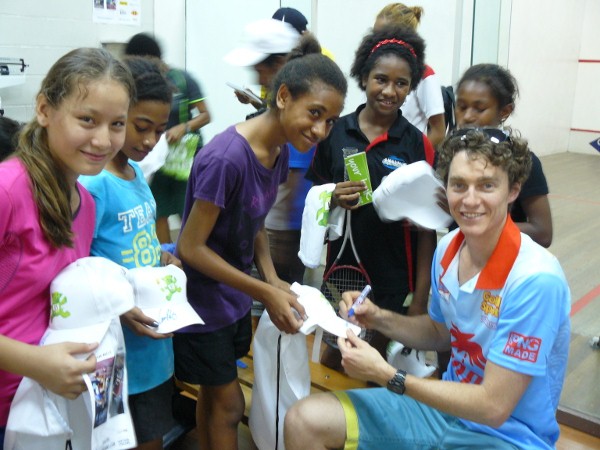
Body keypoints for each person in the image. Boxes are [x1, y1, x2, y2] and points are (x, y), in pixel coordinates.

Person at [285, 128, 571, 450]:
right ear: (444, 188)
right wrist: (378, 317)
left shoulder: (535, 280)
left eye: (487, 185)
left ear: (513, 190)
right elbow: (440, 331)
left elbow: (493, 407)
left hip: (508, 436)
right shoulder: (448, 249)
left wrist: (386, 374)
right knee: (303, 421)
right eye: (458, 185)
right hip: (442, 413)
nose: (470, 199)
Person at [174, 35, 347, 450]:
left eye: (331, 121)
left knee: (216, 401)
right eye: (316, 113)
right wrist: (264, 290)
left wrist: (273, 278)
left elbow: (254, 225)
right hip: (203, 303)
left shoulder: (279, 149)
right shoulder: (226, 158)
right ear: (283, 96)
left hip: (232, 297)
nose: (321, 130)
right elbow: (191, 248)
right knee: (231, 405)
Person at [0, 47, 134, 447]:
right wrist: (36, 363)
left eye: (117, 124)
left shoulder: (85, 203)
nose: (103, 139)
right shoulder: (8, 190)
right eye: (87, 120)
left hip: (44, 404)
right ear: (44, 109)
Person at [306, 25, 437, 369]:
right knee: (335, 361)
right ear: (363, 77)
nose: (390, 91)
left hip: (394, 281)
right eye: (381, 79)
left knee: (375, 367)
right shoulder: (335, 133)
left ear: (411, 88)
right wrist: (331, 196)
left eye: (401, 83)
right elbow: (314, 195)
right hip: (341, 272)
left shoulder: (416, 143)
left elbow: (428, 229)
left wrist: (420, 298)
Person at [79, 55, 179, 450]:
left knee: (152, 438)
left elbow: (136, 238)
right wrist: (118, 305)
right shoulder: (95, 183)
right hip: (116, 347)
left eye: (160, 129)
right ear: (119, 117)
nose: (151, 140)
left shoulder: (135, 172)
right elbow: (78, 264)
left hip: (151, 345)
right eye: (141, 127)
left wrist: (161, 256)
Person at [125, 32, 211, 244]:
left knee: (188, 208)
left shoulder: (182, 79)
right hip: (156, 156)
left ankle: (193, 252)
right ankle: (166, 255)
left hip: (185, 157)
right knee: (158, 209)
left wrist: (184, 126)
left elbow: (206, 115)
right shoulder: (135, 83)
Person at [454, 63, 553, 247]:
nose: (467, 116)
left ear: (505, 111)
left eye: (479, 109)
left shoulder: (523, 161)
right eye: (461, 107)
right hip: (462, 258)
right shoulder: (451, 156)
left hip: (505, 261)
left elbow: (543, 233)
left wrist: (478, 222)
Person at [374, 3, 446, 147]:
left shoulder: (424, 74)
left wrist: (414, 161)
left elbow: (438, 131)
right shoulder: (373, 71)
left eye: (382, 36)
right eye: (374, 35)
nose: (375, 42)